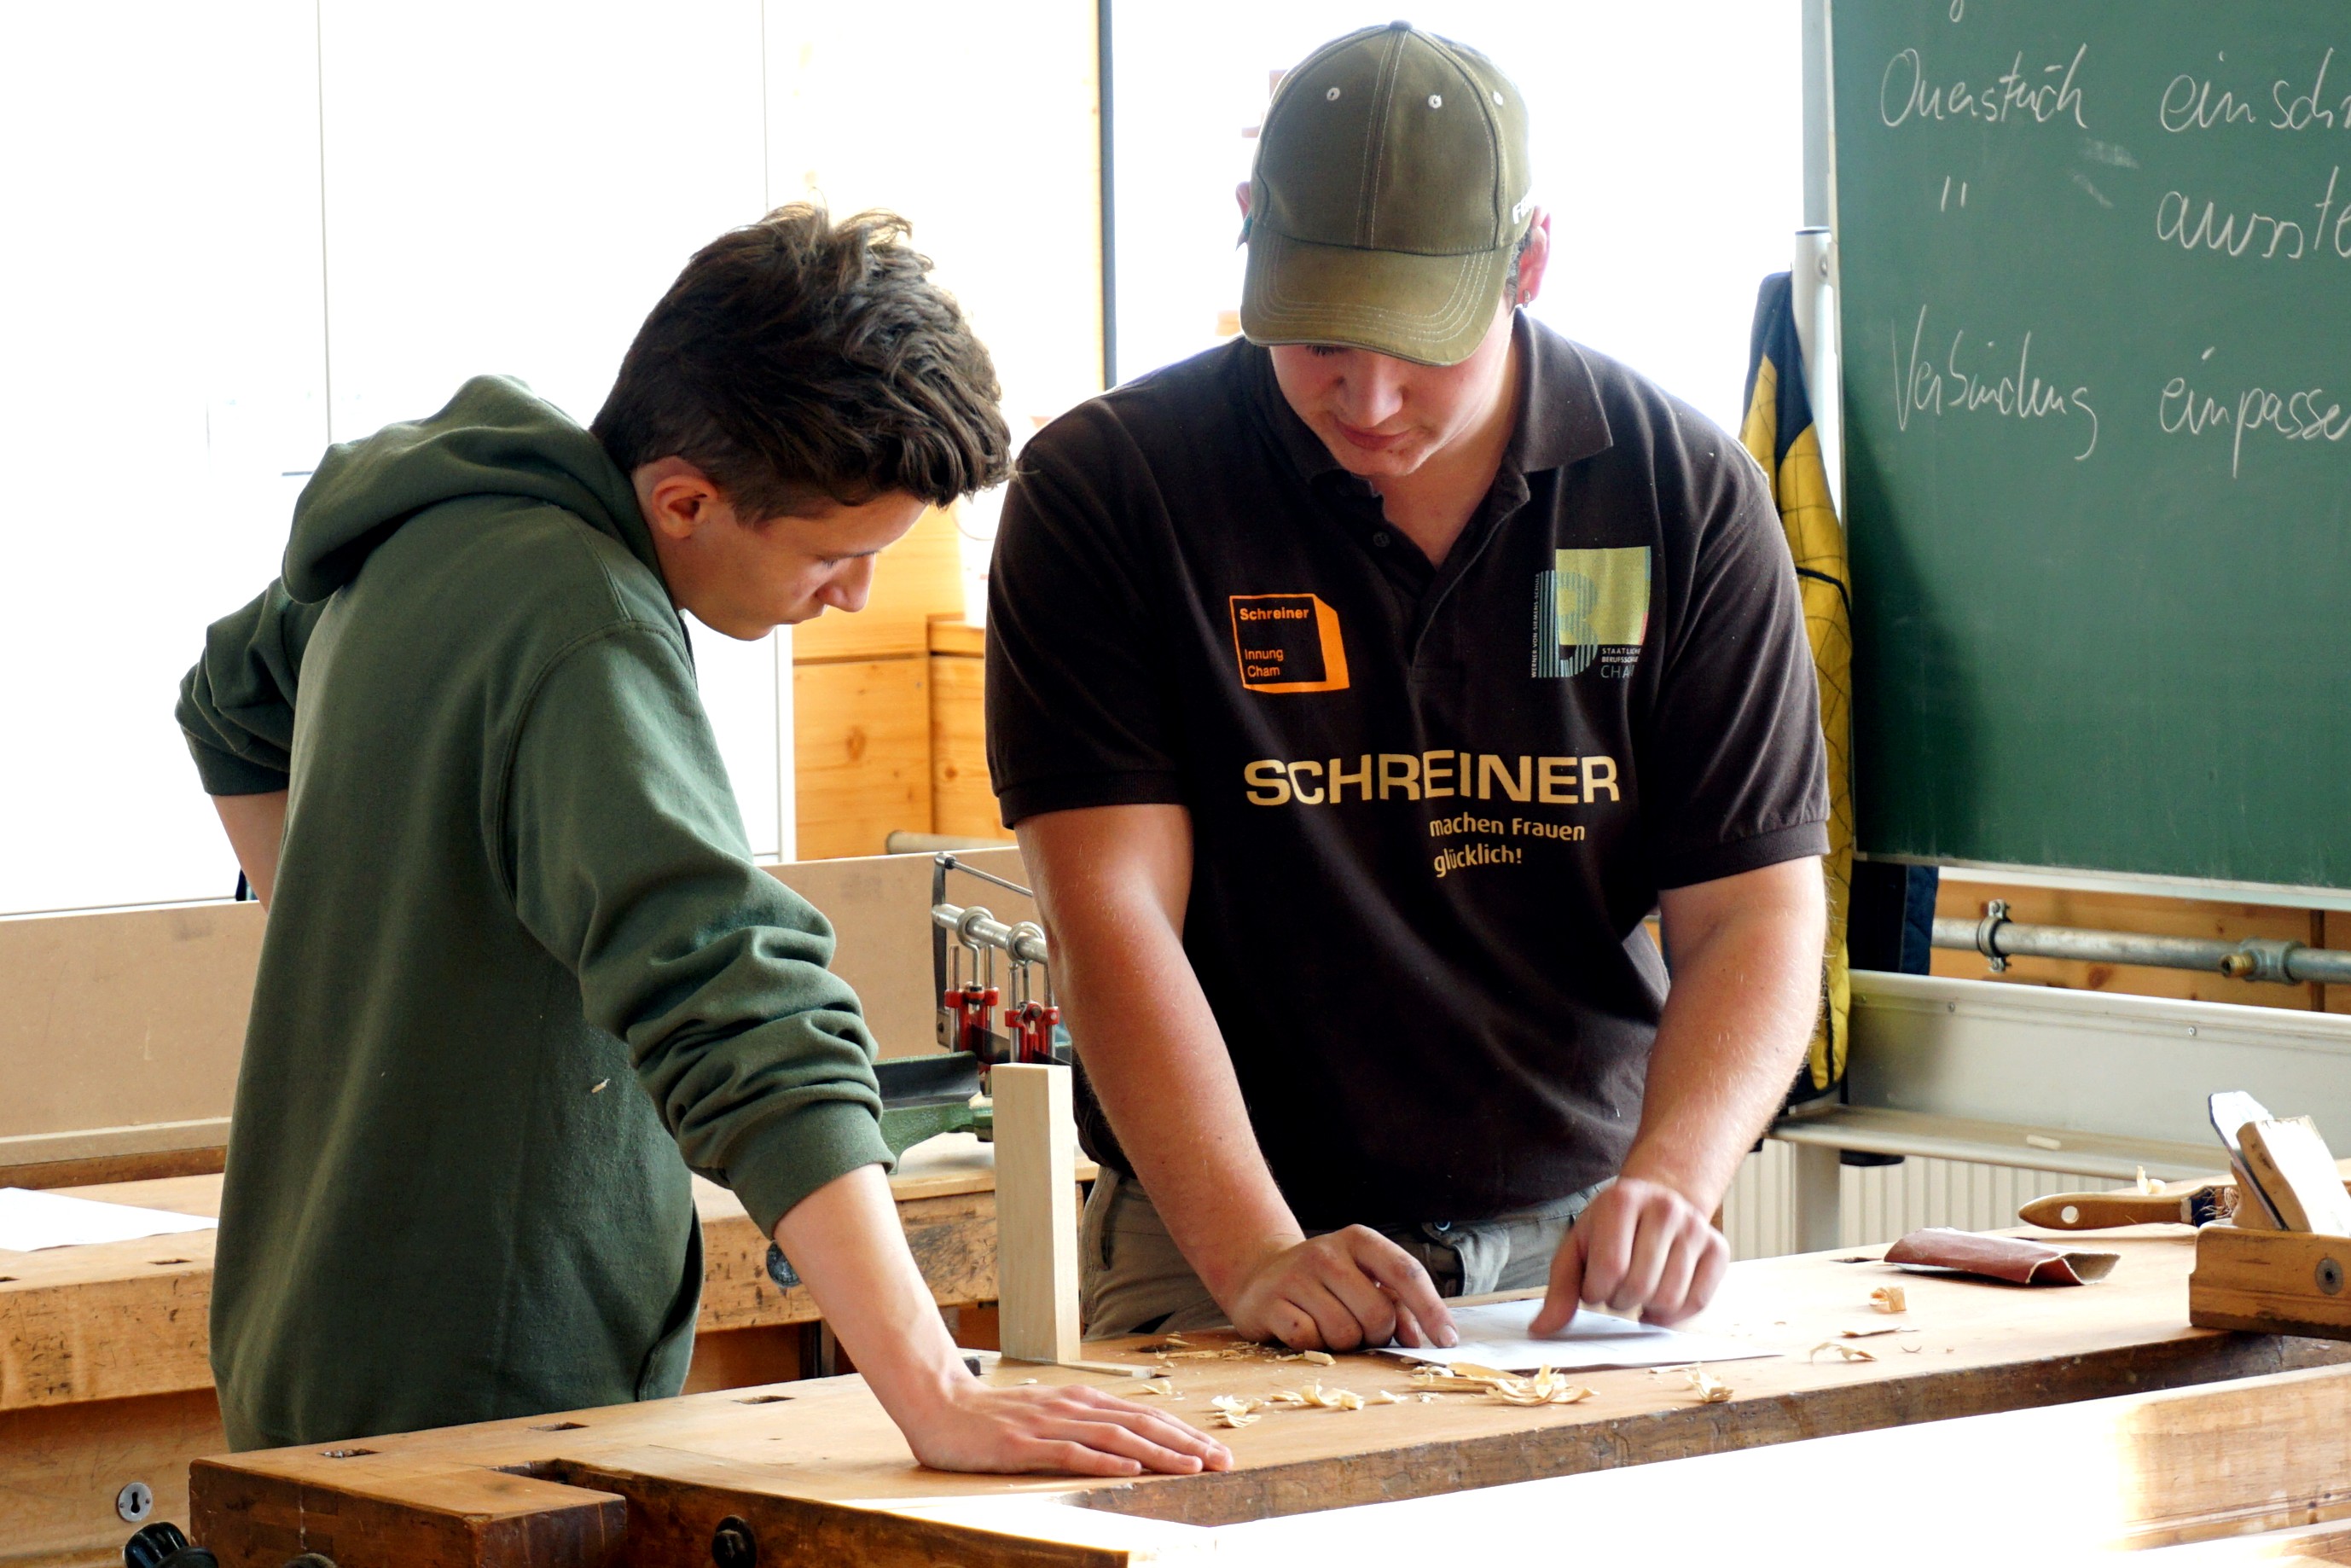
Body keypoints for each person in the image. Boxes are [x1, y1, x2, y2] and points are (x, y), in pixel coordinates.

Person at [177, 203, 1227, 1477]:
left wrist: (358, 947)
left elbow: (228, 697)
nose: (850, 595)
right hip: (487, 1400)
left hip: (308, 1342)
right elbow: (735, 999)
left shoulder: (426, 533)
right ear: (685, 500)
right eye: (837, 556)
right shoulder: (585, 627)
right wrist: (939, 1390)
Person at [986, 24, 1831, 1350]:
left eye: (1419, 341)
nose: (1366, 395)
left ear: (1530, 261)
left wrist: (1677, 1175)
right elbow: (1112, 916)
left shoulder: (1684, 495)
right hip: (1223, 1233)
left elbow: (1753, 916)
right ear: (1249, 230)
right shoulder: (1109, 491)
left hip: (1574, 1245)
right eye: (1318, 334)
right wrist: (1257, 1249)